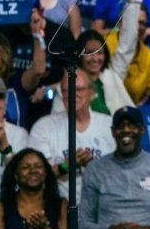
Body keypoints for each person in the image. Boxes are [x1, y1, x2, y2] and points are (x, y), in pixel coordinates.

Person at [80, 106, 150, 229]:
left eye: (132, 125)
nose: (126, 130)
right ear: (113, 132)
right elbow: (82, 226)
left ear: (142, 130)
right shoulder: (95, 170)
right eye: (121, 126)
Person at [28, 69, 115, 201]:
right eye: (67, 91)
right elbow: (34, 177)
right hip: (62, 212)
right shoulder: (44, 127)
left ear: (91, 93)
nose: (73, 95)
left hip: (104, 209)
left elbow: (124, 172)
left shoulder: (109, 125)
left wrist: (96, 167)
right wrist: (67, 165)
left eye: (79, 89)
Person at [0, 148, 67, 229]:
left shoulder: (61, 205)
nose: (33, 171)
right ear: (16, 175)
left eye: (38, 166)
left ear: (45, 173)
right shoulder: (1, 206)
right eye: (25, 167)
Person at [0, 75, 28, 199]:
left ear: (6, 100)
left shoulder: (20, 134)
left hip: (6, 209)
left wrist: (4, 145)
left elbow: (22, 177)